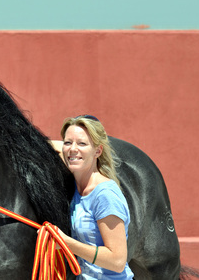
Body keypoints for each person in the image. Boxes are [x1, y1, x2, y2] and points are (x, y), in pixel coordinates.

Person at [50, 115, 134, 279]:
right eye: (68, 142)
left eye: (82, 143)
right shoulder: (78, 183)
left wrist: (68, 244)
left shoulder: (105, 195)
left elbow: (117, 260)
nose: (73, 149)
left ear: (98, 150)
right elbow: (49, 146)